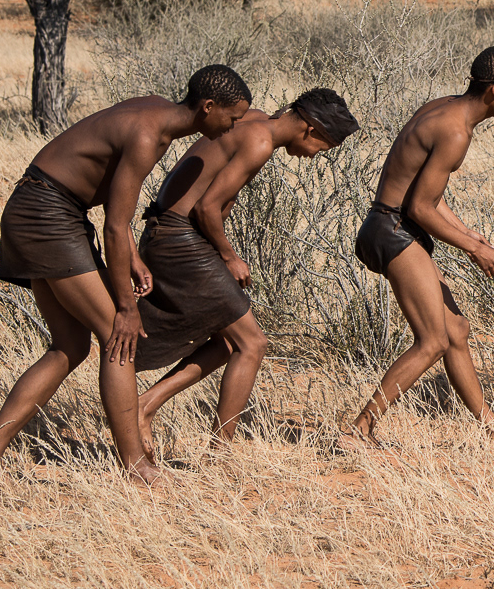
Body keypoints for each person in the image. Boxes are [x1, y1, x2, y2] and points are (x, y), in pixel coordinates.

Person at [0, 65, 253, 484]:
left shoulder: (153, 112)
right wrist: (127, 307)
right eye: (233, 117)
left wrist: (132, 256)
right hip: (47, 215)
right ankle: (135, 466)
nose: (234, 127)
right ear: (208, 107)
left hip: (45, 209)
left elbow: (116, 211)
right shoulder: (149, 136)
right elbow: (114, 226)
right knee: (120, 335)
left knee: (68, 347)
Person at [132, 89, 360, 457]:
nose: (315, 156)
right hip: (179, 237)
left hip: (168, 231)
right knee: (252, 343)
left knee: (229, 341)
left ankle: (146, 405)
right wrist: (229, 257)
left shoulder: (254, 119)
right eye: (323, 147)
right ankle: (219, 450)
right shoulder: (259, 141)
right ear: (310, 129)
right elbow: (207, 208)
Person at [345, 47, 494, 443]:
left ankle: (492, 428)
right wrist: (473, 248)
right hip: (393, 230)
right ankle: (360, 428)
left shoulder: (444, 108)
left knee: (456, 330)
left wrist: (468, 232)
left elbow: (427, 192)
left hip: (391, 225)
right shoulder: (456, 131)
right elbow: (420, 207)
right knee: (433, 341)